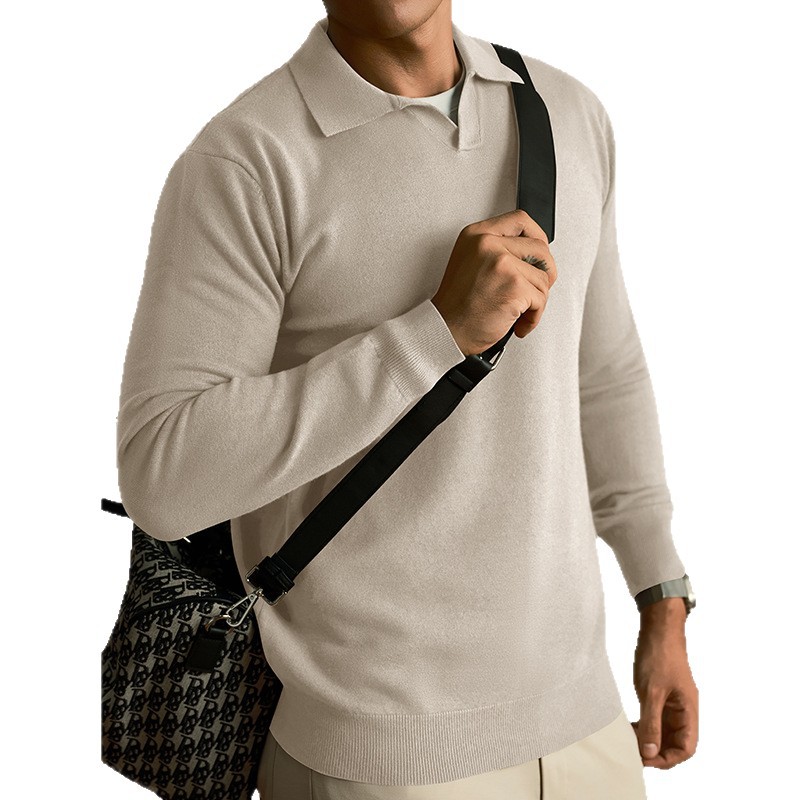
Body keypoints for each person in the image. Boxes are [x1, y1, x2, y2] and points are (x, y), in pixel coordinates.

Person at [115, 1, 699, 797]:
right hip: (376, 756)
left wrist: (661, 597)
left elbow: (604, 373)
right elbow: (163, 473)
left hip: (589, 727)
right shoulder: (247, 159)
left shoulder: (566, 111)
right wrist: (434, 334)